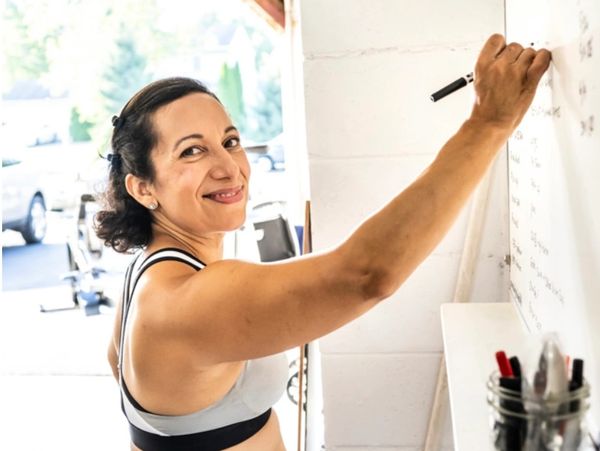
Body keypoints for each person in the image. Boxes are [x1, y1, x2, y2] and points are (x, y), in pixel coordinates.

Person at [101, 34, 550, 451]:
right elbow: (366, 275)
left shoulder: (150, 274)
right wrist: (489, 123)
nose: (229, 167)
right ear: (143, 188)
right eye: (191, 151)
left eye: (230, 141)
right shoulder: (183, 301)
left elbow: (127, 365)